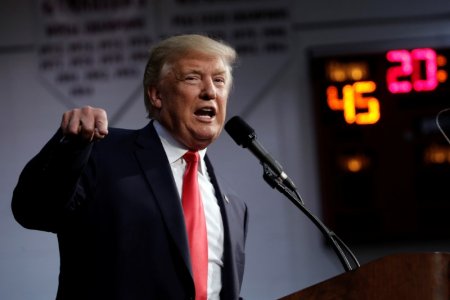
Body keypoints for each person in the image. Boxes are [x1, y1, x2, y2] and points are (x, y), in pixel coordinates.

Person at [12, 34, 248, 300]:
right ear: (156, 94)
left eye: (219, 81)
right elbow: (33, 211)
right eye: (193, 78)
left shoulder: (234, 205)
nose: (210, 91)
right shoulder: (100, 152)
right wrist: (70, 146)